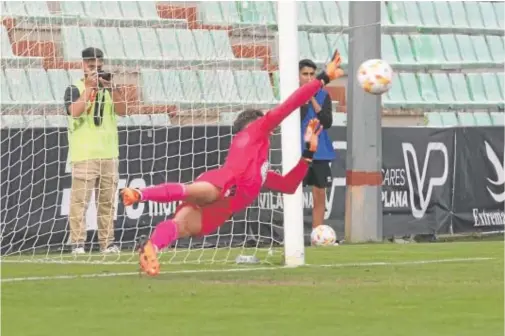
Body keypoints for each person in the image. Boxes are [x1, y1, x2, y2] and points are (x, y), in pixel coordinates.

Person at [120, 51, 344, 276]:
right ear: (251, 125)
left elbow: (289, 185)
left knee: (181, 226)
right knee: (193, 192)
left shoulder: (262, 168)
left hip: (223, 209)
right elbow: (289, 106)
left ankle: (152, 248)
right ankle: (140, 194)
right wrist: (322, 79)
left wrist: (309, 151)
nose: (270, 126)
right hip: (225, 181)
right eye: (263, 121)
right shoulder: (256, 130)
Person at [64, 47, 127, 254]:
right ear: (82, 65)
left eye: (99, 67)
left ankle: (107, 243)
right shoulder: (74, 88)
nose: (95, 70)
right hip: (84, 155)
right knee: (79, 203)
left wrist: (112, 87)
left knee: (108, 203)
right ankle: (78, 243)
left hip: (109, 154)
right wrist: (90, 88)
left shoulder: (108, 88)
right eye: (91, 67)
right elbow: (74, 111)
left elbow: (123, 111)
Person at [298, 59, 336, 229]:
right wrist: (304, 98)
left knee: (319, 194)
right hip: (298, 151)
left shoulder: (324, 95)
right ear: (298, 76)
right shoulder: (293, 95)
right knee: (294, 194)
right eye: (305, 74)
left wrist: (312, 98)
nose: (308, 77)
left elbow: (327, 122)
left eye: (312, 74)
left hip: (320, 151)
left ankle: (317, 234)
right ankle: (294, 235)